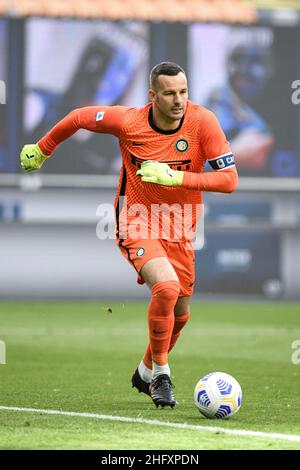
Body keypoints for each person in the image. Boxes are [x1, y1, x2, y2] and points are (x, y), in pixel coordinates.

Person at [20, 62, 238, 408]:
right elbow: (78, 117)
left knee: (181, 315)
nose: (178, 99)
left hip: (181, 226)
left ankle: (144, 370)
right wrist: (44, 148)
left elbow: (229, 180)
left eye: (183, 91)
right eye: (169, 93)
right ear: (153, 96)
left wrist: (175, 178)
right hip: (137, 220)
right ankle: (161, 376)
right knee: (165, 288)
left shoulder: (203, 122)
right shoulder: (129, 122)